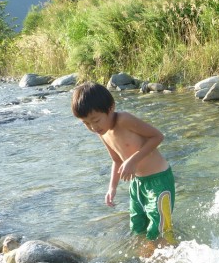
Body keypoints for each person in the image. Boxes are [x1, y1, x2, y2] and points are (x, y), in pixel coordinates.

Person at [71, 82, 176, 252]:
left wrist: (133, 160)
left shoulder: (124, 120)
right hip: (137, 184)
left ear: (111, 108)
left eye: (96, 120)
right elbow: (117, 160)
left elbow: (157, 136)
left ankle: (170, 255)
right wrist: (112, 187)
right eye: (86, 123)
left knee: (160, 227)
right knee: (138, 225)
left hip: (159, 181)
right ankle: (146, 256)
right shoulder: (102, 133)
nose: (93, 127)